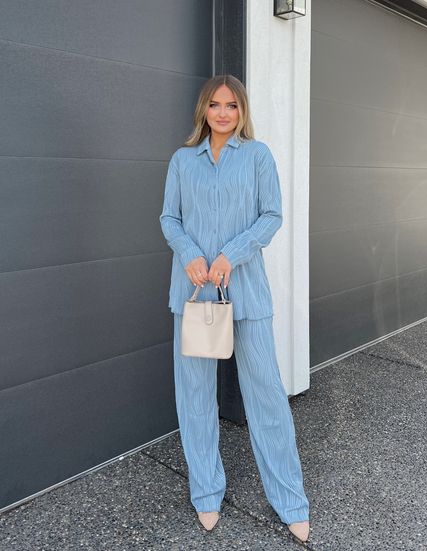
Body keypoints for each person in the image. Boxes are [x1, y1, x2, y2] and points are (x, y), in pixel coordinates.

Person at [159, 74, 310, 544]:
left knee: (266, 394)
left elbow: (272, 215)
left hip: (247, 292)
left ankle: (290, 500)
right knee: (195, 396)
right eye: (215, 104)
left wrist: (231, 253)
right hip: (194, 294)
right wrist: (190, 254)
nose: (223, 112)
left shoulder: (259, 156)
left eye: (231, 105)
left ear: (241, 110)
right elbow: (170, 218)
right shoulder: (183, 161)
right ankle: (206, 492)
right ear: (203, 110)